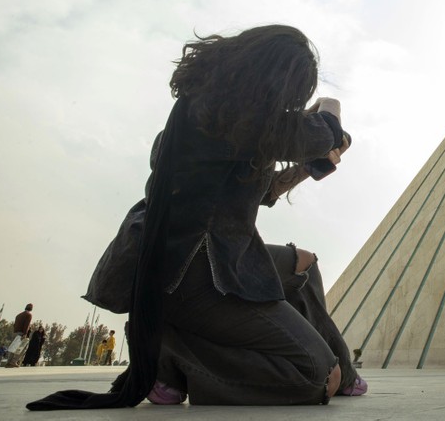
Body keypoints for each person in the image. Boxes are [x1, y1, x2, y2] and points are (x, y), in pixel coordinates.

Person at [28, 25, 365, 411]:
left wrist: (307, 167)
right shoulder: (229, 115)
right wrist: (330, 111)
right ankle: (172, 356)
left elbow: (263, 190)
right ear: (275, 80)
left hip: (212, 257)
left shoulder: (223, 116)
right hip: (190, 273)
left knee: (304, 266)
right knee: (313, 376)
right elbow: (322, 133)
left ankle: (346, 377)